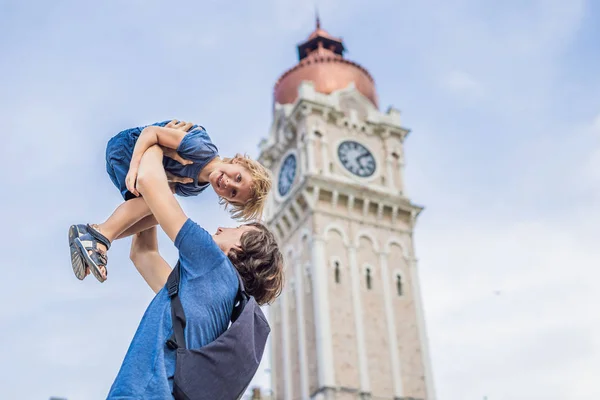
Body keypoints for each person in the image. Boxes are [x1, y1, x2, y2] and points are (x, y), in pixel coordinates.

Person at [106, 144, 284, 398]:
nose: (223, 228)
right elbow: (144, 255)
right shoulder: (213, 302)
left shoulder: (212, 262)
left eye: (237, 229)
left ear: (239, 249)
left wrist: (156, 144)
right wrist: (158, 190)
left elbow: (148, 179)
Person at [68, 119, 272, 283]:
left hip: (135, 163)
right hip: (128, 148)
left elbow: (165, 191)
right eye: (237, 177)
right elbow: (151, 133)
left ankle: (92, 236)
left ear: (227, 200)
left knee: (158, 213)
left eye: (234, 193)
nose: (228, 184)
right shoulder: (203, 149)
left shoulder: (195, 187)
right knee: (155, 201)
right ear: (238, 162)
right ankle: (99, 238)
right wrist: (135, 166)